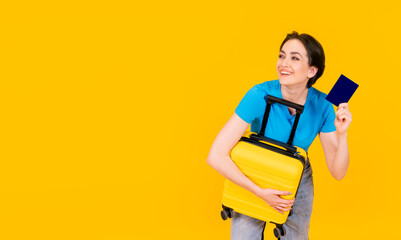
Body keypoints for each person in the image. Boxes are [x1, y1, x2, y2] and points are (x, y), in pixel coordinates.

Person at [207, 31, 352, 240]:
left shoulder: (324, 106)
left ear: (312, 70)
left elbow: (338, 172)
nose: (284, 63)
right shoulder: (258, 94)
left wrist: (342, 134)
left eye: (295, 58)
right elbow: (215, 155)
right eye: (282, 55)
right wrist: (258, 191)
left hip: (296, 179)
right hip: (252, 175)